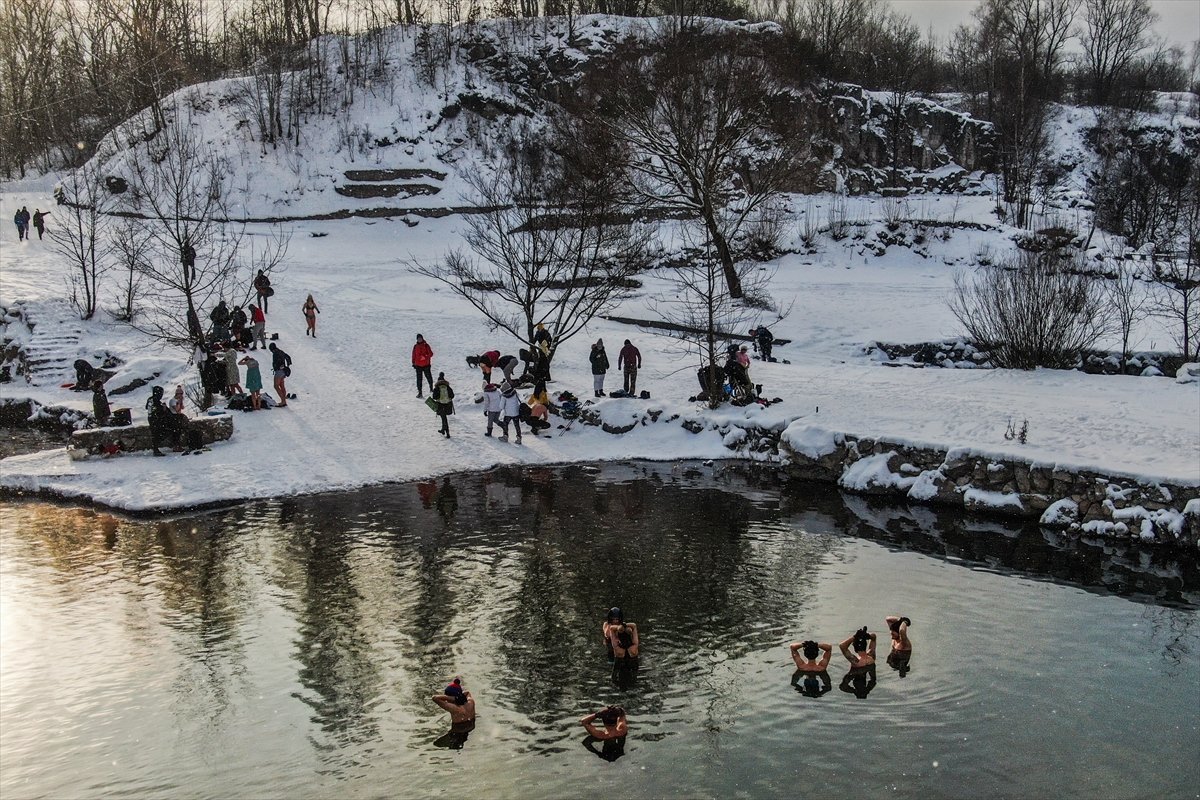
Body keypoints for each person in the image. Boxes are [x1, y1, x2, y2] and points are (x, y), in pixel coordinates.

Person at [144, 386, 180, 456]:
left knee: (156, 434)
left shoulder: (150, 399)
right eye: (161, 393)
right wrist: (163, 408)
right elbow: (159, 411)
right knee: (160, 433)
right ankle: (156, 449)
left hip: (151, 419)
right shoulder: (155, 400)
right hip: (156, 420)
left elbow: (147, 407)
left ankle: (156, 449)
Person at [268, 342, 292, 407]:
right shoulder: (280, 351)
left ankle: (283, 401)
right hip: (284, 371)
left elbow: (276, 363)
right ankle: (284, 401)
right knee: (282, 385)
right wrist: (287, 365)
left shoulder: (275, 353)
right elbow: (288, 357)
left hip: (279, 371)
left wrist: (276, 367)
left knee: (276, 386)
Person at [432, 372, 454, 437]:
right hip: (447, 404)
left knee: (443, 418)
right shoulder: (447, 387)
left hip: (440, 405)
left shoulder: (437, 388)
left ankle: (447, 432)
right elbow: (452, 395)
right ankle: (443, 430)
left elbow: (434, 397)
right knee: (444, 418)